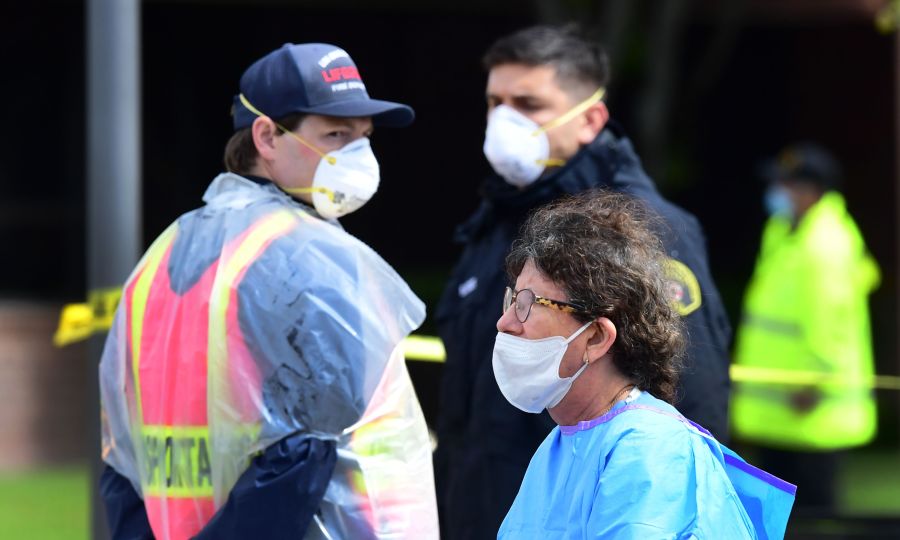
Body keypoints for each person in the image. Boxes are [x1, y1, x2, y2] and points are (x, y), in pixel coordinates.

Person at [97, 42, 439, 539]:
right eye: (336, 134)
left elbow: (121, 451)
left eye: (363, 137)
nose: (358, 155)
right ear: (266, 136)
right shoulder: (308, 255)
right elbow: (301, 456)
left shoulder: (165, 250)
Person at [434, 24, 732, 538]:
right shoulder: (497, 224)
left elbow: (688, 394)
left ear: (590, 117)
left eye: (528, 104)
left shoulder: (639, 233)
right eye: (495, 102)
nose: (506, 121)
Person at [495, 190, 794, 538]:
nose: (506, 322)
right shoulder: (563, 441)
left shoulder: (651, 448)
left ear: (596, 337)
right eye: (512, 299)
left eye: (529, 303)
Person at [731, 142, 880, 514]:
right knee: (778, 515)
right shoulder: (784, 231)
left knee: (815, 516)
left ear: (812, 191)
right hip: (779, 407)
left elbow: (833, 323)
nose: (779, 191)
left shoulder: (825, 245)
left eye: (788, 184)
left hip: (808, 407)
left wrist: (814, 382)